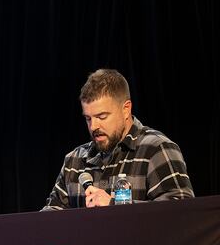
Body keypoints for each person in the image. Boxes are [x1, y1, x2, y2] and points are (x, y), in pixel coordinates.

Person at [43, 69, 194, 210]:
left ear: (126, 109)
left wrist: (112, 204)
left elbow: (180, 211)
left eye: (102, 116)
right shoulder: (74, 161)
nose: (93, 126)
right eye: (88, 118)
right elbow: (50, 221)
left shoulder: (156, 149)